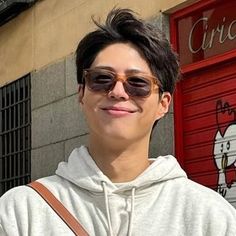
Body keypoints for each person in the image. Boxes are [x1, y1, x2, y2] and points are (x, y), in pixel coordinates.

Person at [0, 8, 236, 236]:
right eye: (102, 78)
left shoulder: (210, 216)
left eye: (137, 83)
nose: (118, 91)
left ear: (164, 104)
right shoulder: (21, 212)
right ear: (81, 94)